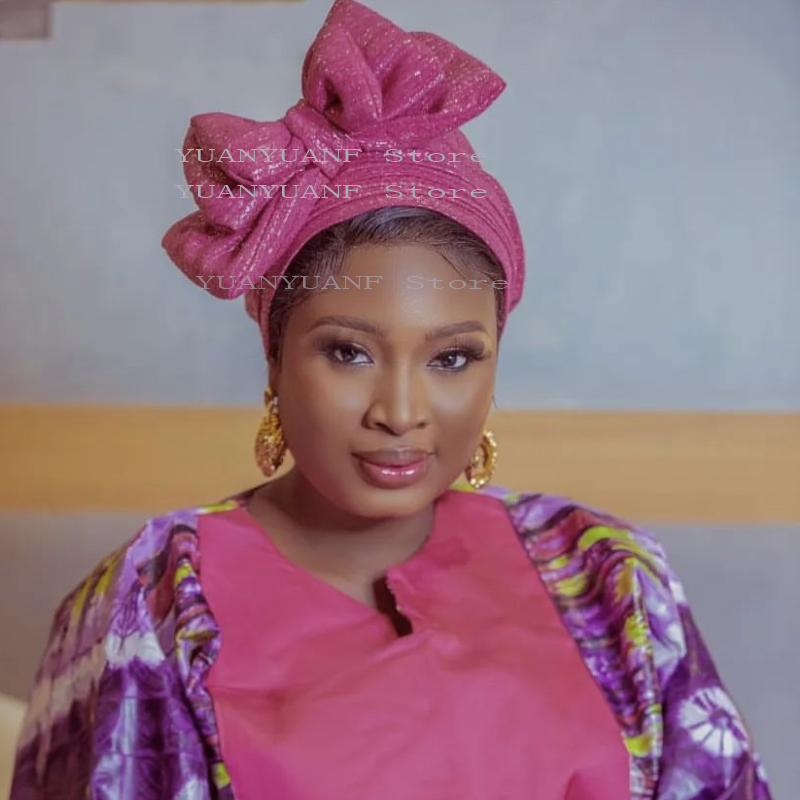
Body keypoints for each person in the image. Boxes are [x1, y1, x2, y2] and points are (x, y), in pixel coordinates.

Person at [9, 1, 773, 799]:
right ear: (275, 355)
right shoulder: (158, 601)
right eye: (348, 352)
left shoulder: (608, 574)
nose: (401, 412)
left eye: (453, 358)